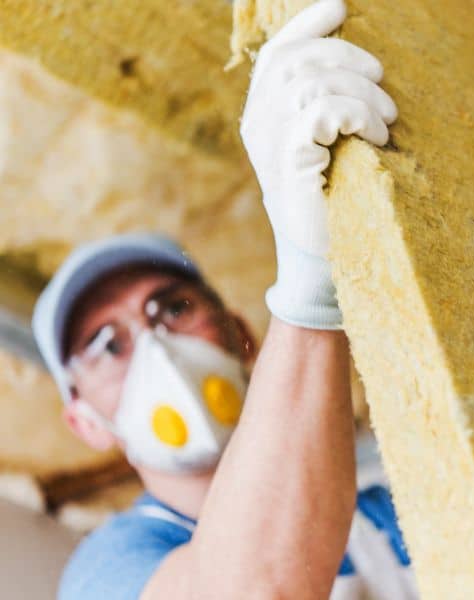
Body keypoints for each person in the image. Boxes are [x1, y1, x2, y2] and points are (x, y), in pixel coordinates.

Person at [32, 1, 415, 598]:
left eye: (174, 308)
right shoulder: (108, 569)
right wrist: (312, 285)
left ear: (243, 336)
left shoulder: (386, 518)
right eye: (107, 345)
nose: (156, 346)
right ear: (86, 423)